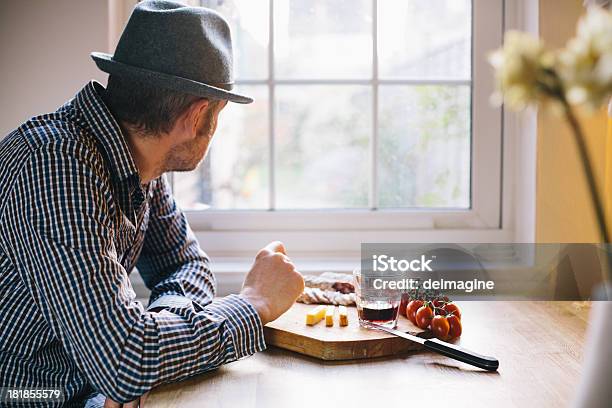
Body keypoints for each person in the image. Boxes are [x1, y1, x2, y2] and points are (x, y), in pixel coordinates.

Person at [0, 1, 304, 406]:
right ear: (198, 117)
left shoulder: (137, 160)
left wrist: (147, 352)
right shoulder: (54, 167)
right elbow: (126, 359)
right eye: (220, 114)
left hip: (87, 392)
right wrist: (255, 304)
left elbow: (185, 265)